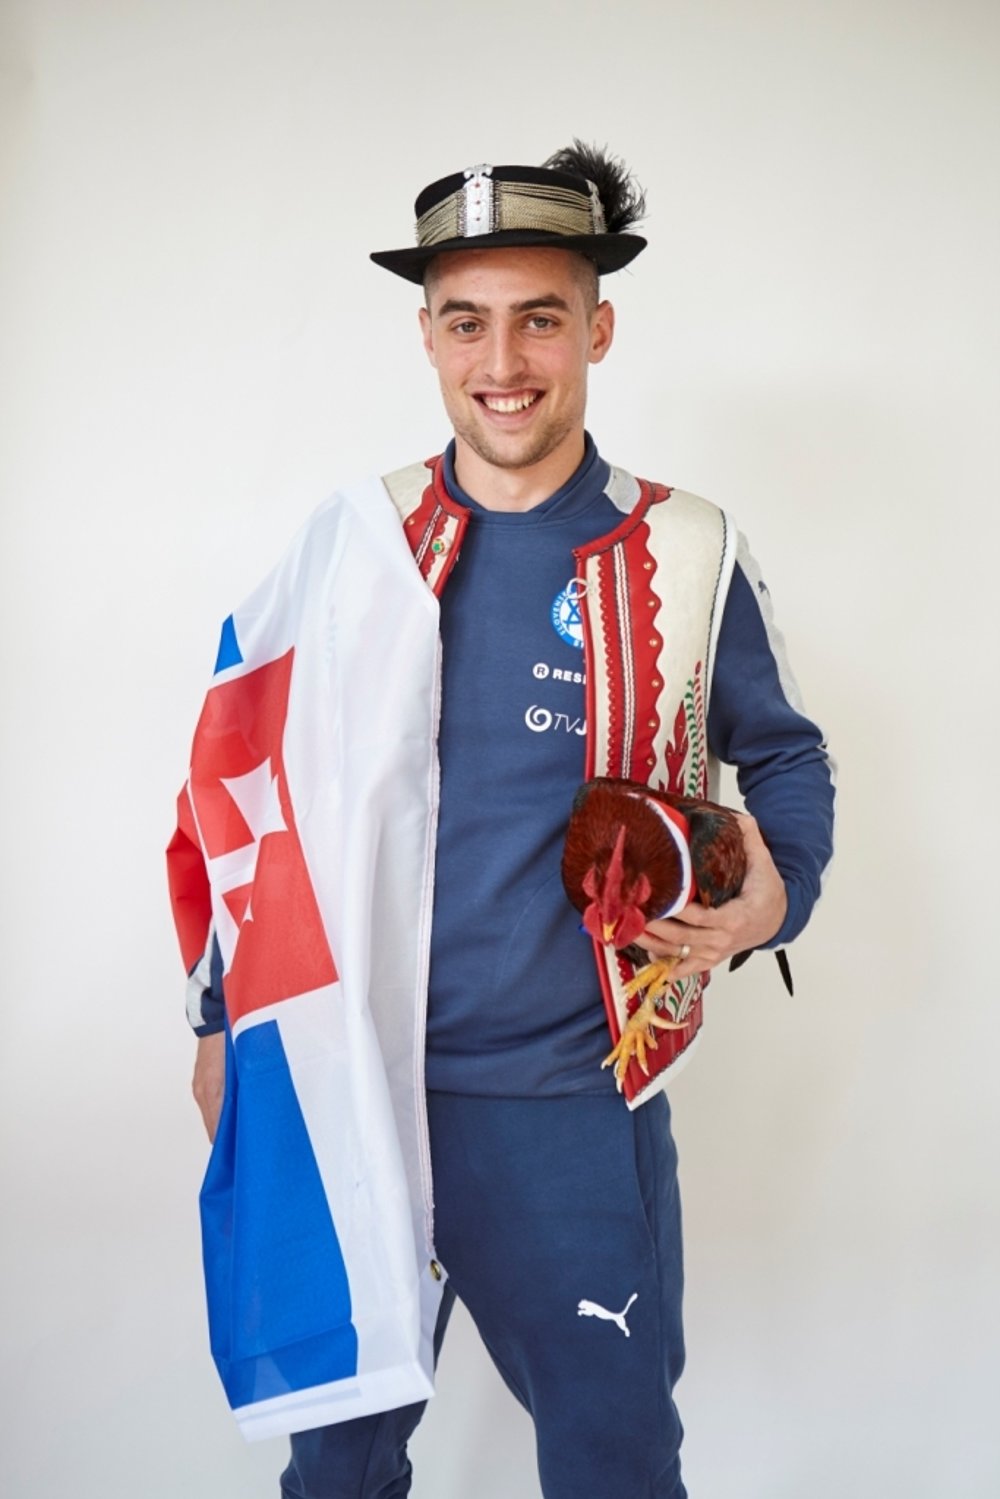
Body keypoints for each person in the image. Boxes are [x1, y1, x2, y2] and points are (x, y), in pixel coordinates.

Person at [172, 143, 834, 1499]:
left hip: (570, 1106)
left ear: (598, 325)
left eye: (540, 315)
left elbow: (786, 757)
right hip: (355, 1086)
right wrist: (223, 1024)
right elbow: (239, 793)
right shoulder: (353, 548)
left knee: (615, 1465)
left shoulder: (688, 548)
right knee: (338, 1470)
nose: (504, 359)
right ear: (425, 337)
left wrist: (779, 893)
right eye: (466, 321)